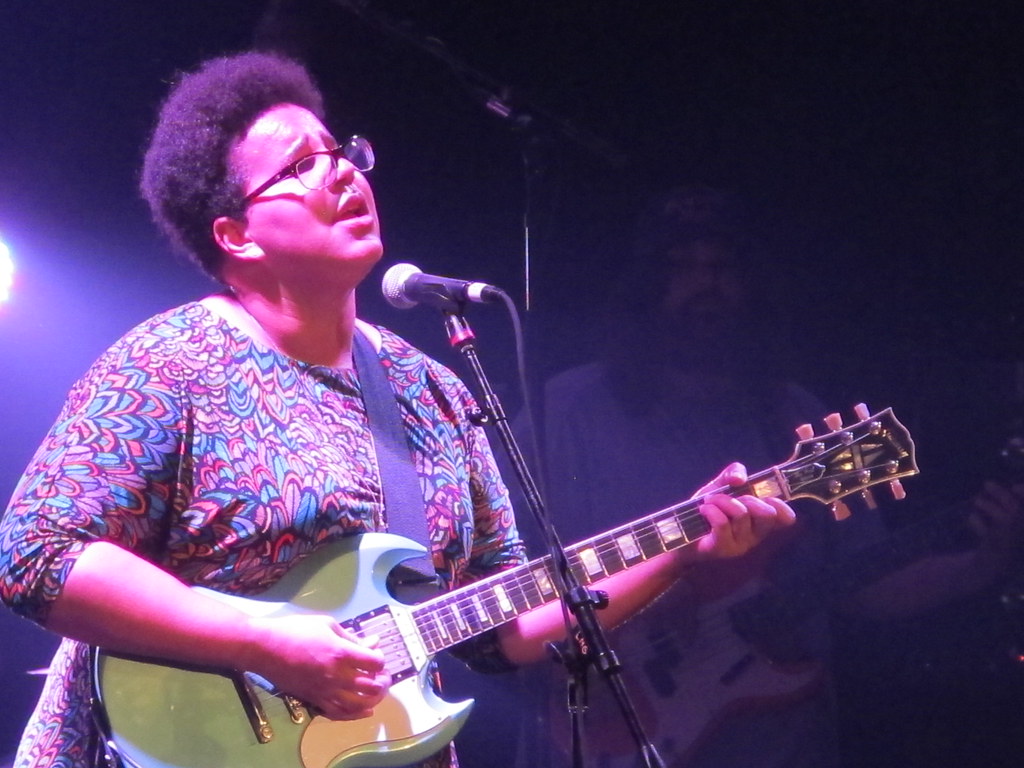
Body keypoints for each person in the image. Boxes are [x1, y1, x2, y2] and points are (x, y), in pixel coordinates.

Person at [0, 53, 795, 768]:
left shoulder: (431, 392)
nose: (345, 172)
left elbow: (504, 620)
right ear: (236, 234)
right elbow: (36, 556)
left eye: (345, 152)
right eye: (305, 165)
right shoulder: (173, 361)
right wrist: (265, 639)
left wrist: (687, 542)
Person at [526, 184, 1024, 767]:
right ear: (643, 287)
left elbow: (860, 586)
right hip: (611, 730)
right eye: (682, 267)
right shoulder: (564, 410)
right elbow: (505, 584)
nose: (705, 285)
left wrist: (978, 566)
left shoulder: (796, 420)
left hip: (780, 743)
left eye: (723, 267)